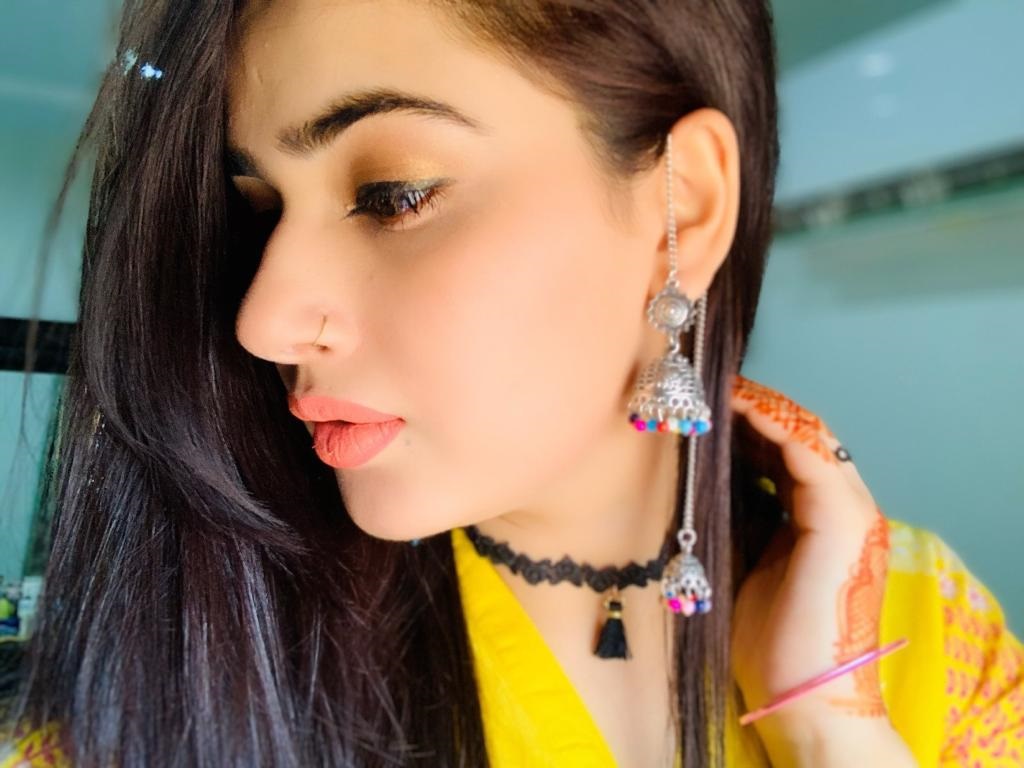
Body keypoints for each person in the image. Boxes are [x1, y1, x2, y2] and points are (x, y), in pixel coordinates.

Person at [3, 1, 1022, 766]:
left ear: (685, 205)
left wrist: (831, 728)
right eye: (262, 211)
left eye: (391, 195)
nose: (262, 319)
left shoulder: (925, 625)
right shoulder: (183, 669)